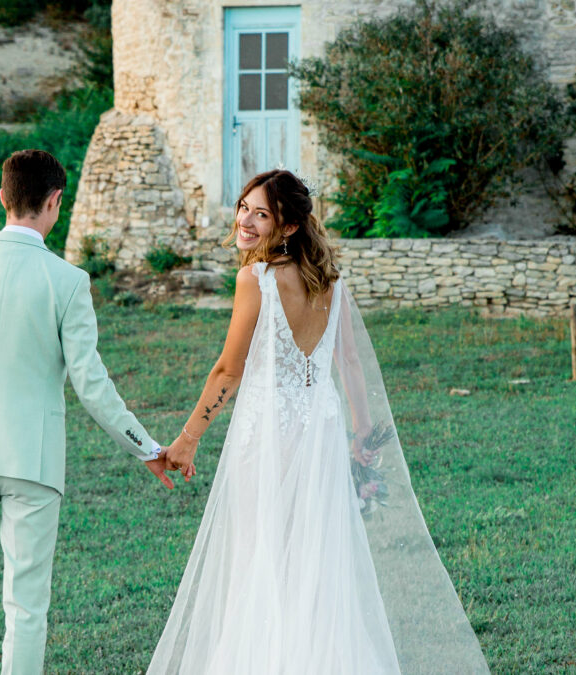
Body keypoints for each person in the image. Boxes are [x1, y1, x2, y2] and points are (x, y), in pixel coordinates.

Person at [151, 170, 489, 674]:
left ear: (287, 227)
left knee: (260, 558)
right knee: (314, 559)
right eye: (244, 207)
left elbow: (228, 369)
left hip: (267, 436)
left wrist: (187, 440)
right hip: (322, 430)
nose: (244, 219)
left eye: (259, 213)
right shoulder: (331, 280)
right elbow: (348, 362)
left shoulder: (257, 280)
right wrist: (361, 434)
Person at [0, 149, 178, 675]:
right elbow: (91, 383)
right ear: (56, 202)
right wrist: (146, 447)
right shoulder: (68, 281)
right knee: (26, 603)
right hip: (32, 460)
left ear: (4, 197)